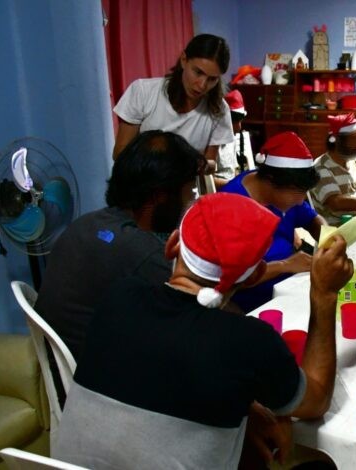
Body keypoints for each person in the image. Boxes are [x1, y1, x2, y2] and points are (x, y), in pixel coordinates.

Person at [53, 193, 353, 468]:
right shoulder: (250, 341)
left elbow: (166, 367)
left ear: (172, 245)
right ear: (256, 276)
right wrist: (324, 294)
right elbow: (316, 401)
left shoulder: (118, 298)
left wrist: (246, 404)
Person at [36, 130, 205, 360]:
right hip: (98, 371)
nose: (190, 203)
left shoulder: (86, 223)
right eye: (189, 192)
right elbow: (204, 313)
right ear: (160, 195)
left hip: (65, 365)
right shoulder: (140, 251)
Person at [220, 131, 326, 312]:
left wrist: (328, 239)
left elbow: (312, 220)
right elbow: (231, 279)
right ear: (270, 181)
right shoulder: (231, 206)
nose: (301, 201)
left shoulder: (285, 189)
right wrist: (286, 265)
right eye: (297, 193)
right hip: (252, 305)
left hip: (289, 288)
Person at [112, 34, 234, 171]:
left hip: (186, 184)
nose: (202, 85)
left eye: (212, 79)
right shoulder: (143, 91)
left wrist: (200, 164)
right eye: (198, 72)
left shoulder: (218, 109)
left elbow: (210, 163)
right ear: (183, 60)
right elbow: (120, 154)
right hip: (141, 182)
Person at [214, 89, 254, 188]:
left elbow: (233, 171)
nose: (239, 127)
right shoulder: (212, 142)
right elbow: (206, 181)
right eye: (235, 121)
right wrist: (235, 186)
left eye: (240, 120)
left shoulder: (231, 139)